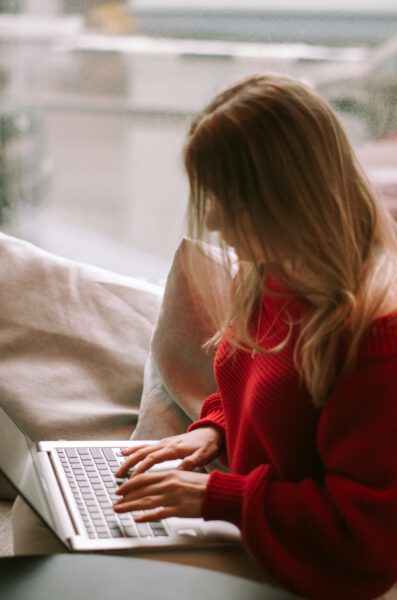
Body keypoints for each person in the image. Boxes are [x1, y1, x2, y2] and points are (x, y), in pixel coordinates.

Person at [113, 74, 397, 600]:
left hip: (323, 567)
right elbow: (267, 398)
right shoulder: (269, 273)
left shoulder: (376, 338)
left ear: (288, 199)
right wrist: (216, 429)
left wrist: (215, 497)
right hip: (256, 523)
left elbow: (370, 539)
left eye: (231, 201)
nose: (215, 222)